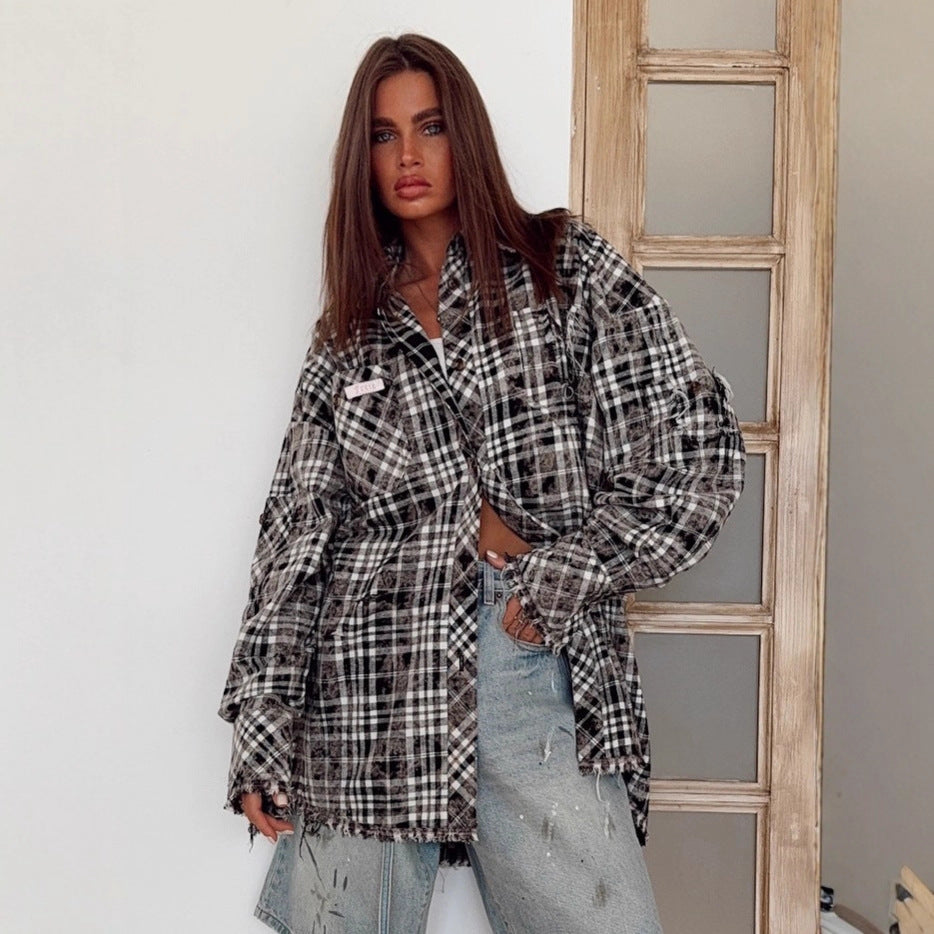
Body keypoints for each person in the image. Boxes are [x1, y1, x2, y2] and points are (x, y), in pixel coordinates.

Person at [219, 33, 745, 934]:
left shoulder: (561, 267)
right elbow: (297, 537)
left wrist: (566, 571)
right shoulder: (348, 333)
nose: (409, 155)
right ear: (360, 158)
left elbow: (696, 448)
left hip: (523, 658)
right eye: (383, 136)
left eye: (430, 127)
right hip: (368, 685)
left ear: (464, 134)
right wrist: (265, 721)